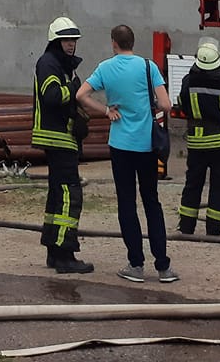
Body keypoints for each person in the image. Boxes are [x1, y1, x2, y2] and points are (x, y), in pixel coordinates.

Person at [89, 23, 177, 284]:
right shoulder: (148, 67)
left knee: (126, 203)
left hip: (120, 145)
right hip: (146, 146)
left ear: (113, 43)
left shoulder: (105, 68)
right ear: (133, 42)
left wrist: (106, 110)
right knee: (152, 201)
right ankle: (163, 266)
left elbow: (82, 94)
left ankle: (135, 264)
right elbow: (166, 104)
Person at [31, 16, 96, 275]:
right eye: (66, 40)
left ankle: (54, 251)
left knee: (58, 194)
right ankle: (65, 254)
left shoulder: (62, 64)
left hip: (62, 137)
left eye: (74, 40)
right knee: (70, 195)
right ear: (55, 41)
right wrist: (75, 89)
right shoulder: (49, 63)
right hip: (57, 137)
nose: (71, 44)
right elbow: (52, 96)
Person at [175, 38, 220, 237]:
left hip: (197, 143)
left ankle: (186, 227)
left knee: (193, 184)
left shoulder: (187, 83)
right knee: (218, 186)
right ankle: (214, 230)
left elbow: (182, 105)